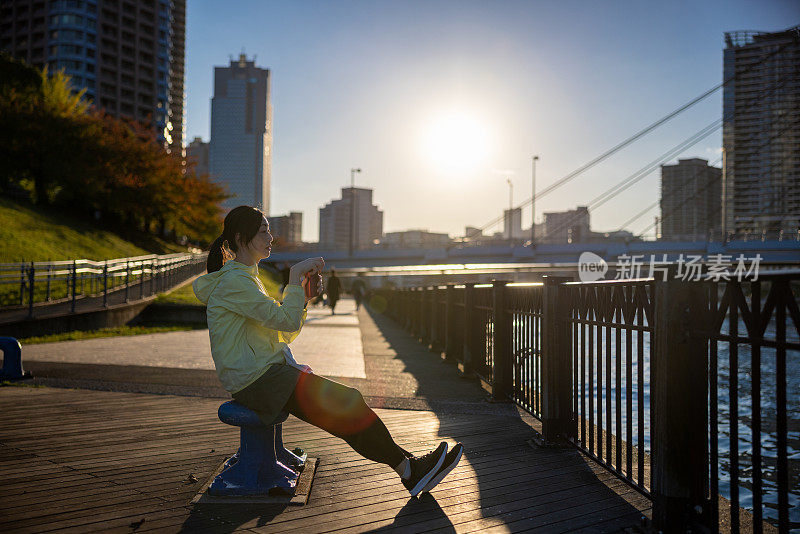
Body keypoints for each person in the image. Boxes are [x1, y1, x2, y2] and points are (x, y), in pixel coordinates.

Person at [192, 206, 462, 497]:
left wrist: (303, 298)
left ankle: (410, 466)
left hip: (266, 374)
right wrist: (295, 278)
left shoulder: (245, 278)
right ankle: (409, 470)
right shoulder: (235, 282)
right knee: (347, 403)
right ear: (241, 237)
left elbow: (283, 332)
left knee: (348, 402)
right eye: (264, 231)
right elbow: (286, 321)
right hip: (255, 380)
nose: (272, 236)